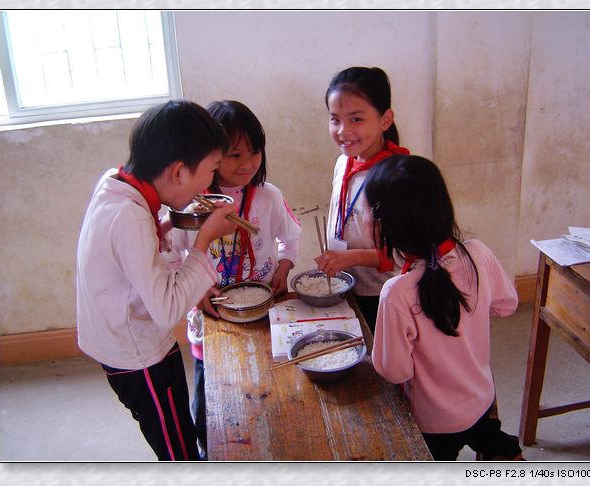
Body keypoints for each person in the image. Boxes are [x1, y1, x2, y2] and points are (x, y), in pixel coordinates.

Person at [76, 100, 237, 461]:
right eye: (211, 172)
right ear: (179, 172)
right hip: (135, 354)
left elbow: (129, 255)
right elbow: (166, 311)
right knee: (176, 449)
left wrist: (165, 224)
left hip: (133, 335)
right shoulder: (129, 218)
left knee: (179, 419)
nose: (211, 183)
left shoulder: (117, 185)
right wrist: (204, 241)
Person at [365, 154, 523, 461]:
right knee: (495, 443)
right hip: (481, 401)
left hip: (432, 423)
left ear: (386, 226)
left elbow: (394, 371)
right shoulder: (478, 253)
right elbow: (506, 305)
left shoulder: (396, 293)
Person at [168, 99, 302, 459]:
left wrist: (284, 265)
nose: (247, 164)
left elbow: (290, 237)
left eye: (255, 152)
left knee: (270, 395)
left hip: (263, 311)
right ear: (210, 156)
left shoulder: (269, 197)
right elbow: (172, 254)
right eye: (234, 155)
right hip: (212, 318)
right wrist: (194, 290)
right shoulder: (193, 206)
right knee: (208, 410)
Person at [314, 66, 410, 333]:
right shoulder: (344, 161)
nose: (343, 131)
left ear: (385, 120)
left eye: (356, 119)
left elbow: (403, 256)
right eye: (335, 119)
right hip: (347, 285)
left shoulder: (395, 177)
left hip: (383, 293)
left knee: (385, 367)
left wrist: (351, 257)